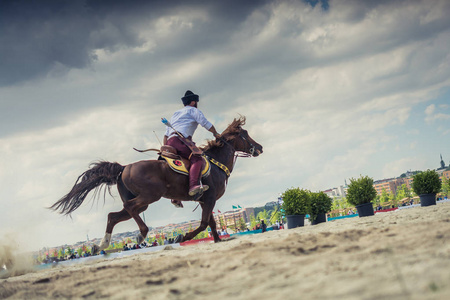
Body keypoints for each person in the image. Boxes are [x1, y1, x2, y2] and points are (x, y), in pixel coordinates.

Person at [164, 90, 219, 200]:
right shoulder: (194, 110)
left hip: (170, 142)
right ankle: (193, 185)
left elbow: (166, 135)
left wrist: (166, 149)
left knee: (183, 163)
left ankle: (176, 197)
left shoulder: (175, 114)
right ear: (193, 102)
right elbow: (205, 123)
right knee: (197, 159)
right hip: (181, 140)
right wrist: (215, 133)